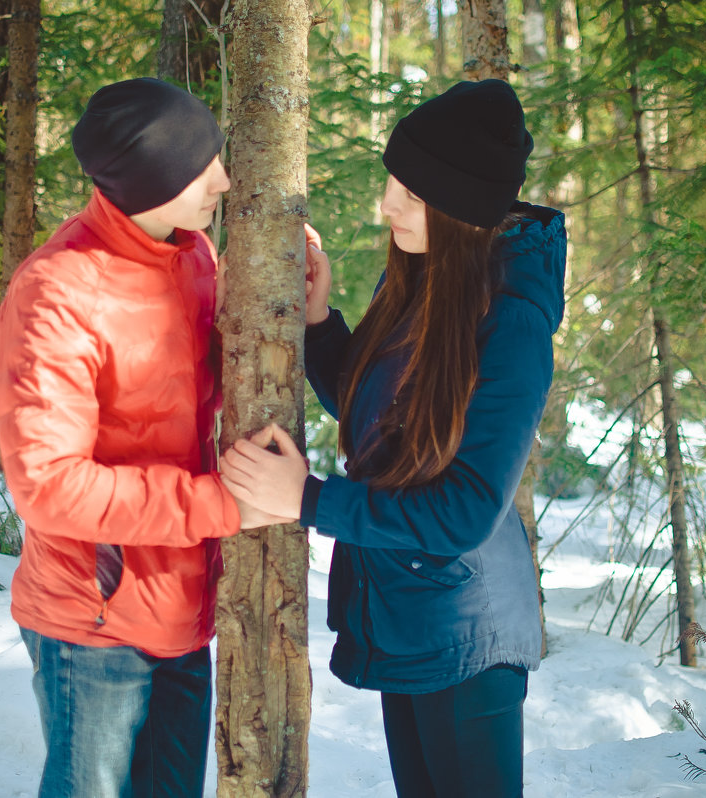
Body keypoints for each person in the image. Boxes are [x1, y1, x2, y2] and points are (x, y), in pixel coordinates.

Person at [220, 79, 567, 798]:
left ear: (459, 203)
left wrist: (310, 500)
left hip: (470, 637)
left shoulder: (514, 322)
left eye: (409, 194)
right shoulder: (422, 273)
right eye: (392, 185)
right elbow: (383, 414)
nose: (387, 206)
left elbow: (466, 511)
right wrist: (318, 322)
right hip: (410, 614)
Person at [0, 78, 283, 798]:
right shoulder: (57, 292)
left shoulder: (192, 255)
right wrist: (224, 507)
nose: (224, 179)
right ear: (147, 180)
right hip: (97, 625)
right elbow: (49, 486)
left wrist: (286, 291)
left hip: (183, 610)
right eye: (200, 166)